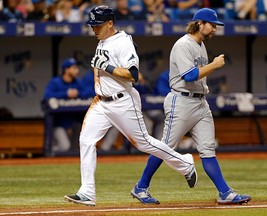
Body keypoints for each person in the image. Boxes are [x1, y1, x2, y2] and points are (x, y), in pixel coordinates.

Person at [64, 5, 197, 206]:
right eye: (92, 25)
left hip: (122, 100)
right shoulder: (102, 41)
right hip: (101, 102)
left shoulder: (123, 42)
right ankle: (87, 192)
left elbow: (132, 75)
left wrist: (106, 66)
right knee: (86, 140)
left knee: (144, 142)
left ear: (110, 23)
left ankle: (185, 164)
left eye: (98, 25)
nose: (94, 28)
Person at [131, 8, 251, 205]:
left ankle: (224, 192)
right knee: (165, 147)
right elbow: (189, 76)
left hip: (200, 103)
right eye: (212, 25)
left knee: (208, 149)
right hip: (182, 101)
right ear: (199, 24)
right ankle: (141, 187)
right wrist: (214, 65)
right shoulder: (183, 45)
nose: (214, 29)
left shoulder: (200, 45)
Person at [44, 58, 86, 153]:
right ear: (66, 70)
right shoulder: (55, 82)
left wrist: (78, 93)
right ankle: (51, 150)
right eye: (74, 68)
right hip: (59, 124)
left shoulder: (78, 82)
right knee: (65, 147)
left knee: (75, 148)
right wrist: (66, 94)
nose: (77, 70)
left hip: (73, 123)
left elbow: (89, 92)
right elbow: (47, 96)